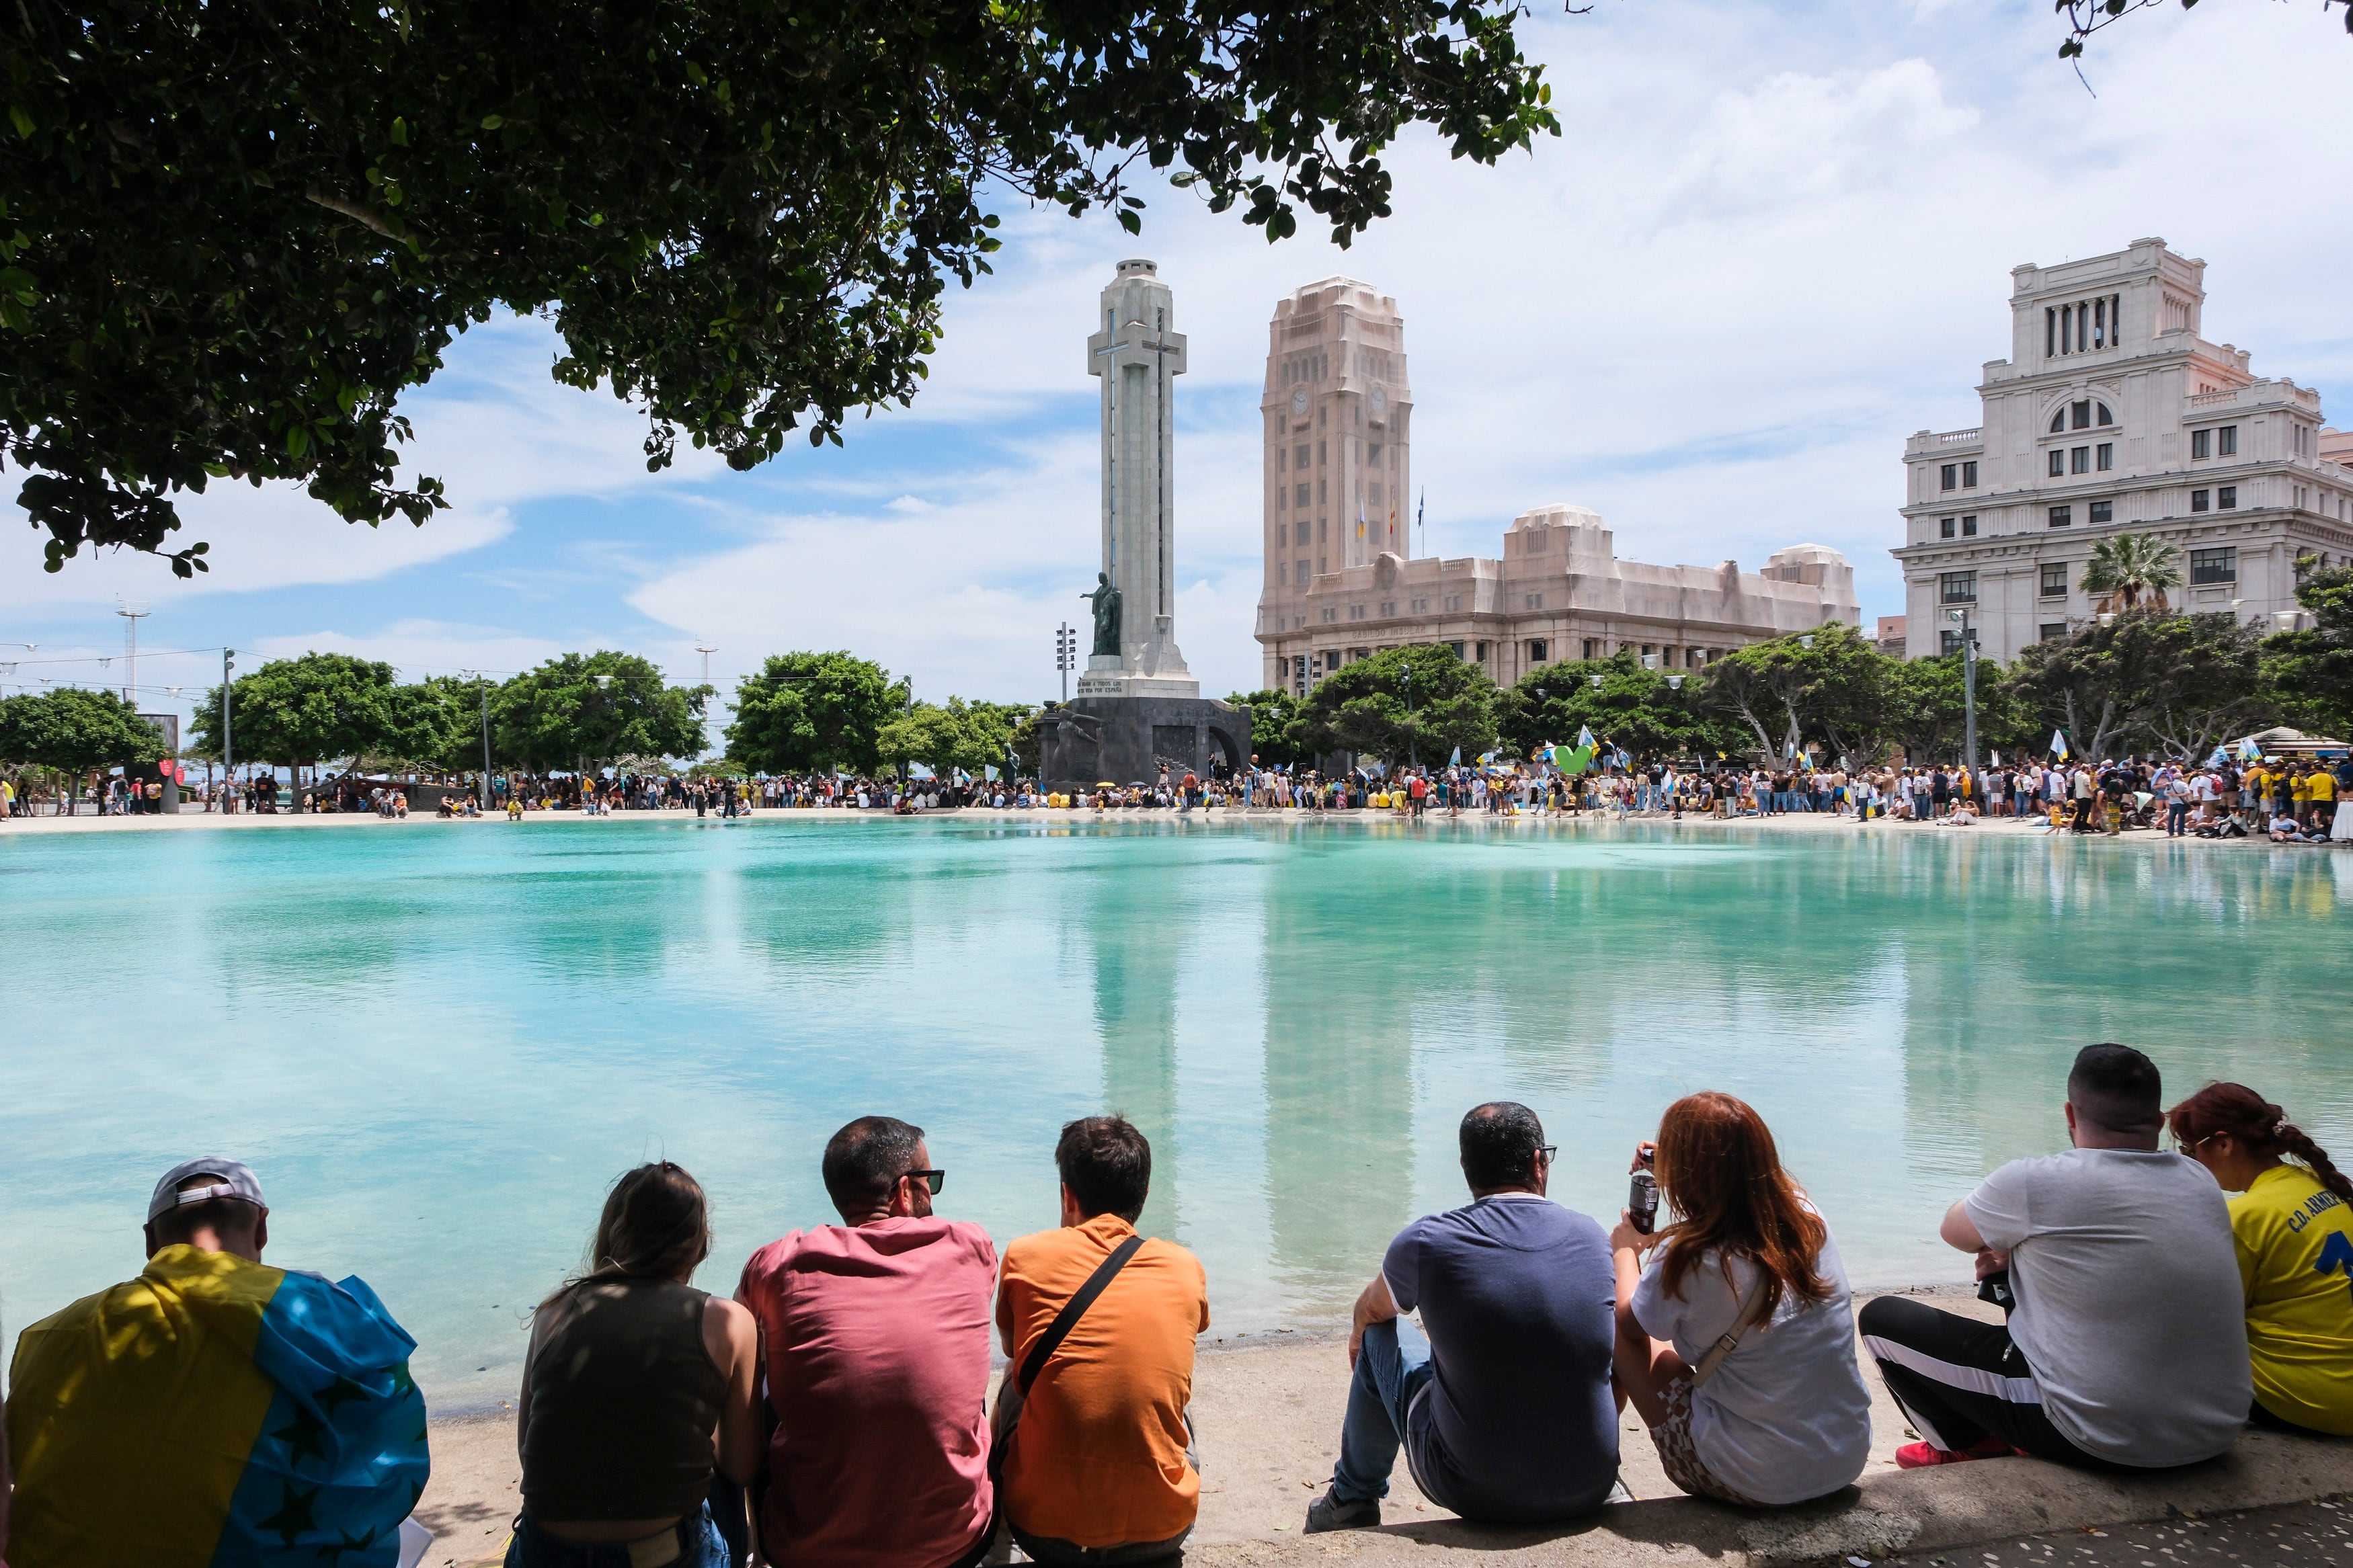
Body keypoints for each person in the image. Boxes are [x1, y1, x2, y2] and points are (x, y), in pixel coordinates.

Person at [5, 1159, 429, 1567]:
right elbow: (391, 1446)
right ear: (262, 1228)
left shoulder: (50, 1336)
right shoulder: (321, 1313)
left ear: (151, 1241)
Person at [1858, 1044, 2249, 1472]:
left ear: (2069, 1114)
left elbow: (1955, 1233)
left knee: (1882, 1321)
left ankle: (1963, 1444)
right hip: (2217, 1430)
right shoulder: (2199, 1180)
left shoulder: (2035, 1182)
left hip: (2100, 1437)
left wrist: (2013, 1241)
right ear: (2159, 1122)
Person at [1305, 1102, 1618, 1534]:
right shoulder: (1593, 1237)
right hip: (1589, 1483)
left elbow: (1371, 1310)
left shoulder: (1427, 1242)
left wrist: (1361, 1343)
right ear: (1537, 1162)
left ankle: (1351, 1499)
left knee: (1383, 1333)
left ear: (1465, 1167)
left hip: (1472, 1488)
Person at [736, 1117, 998, 1568]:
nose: (933, 1195)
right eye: (930, 1181)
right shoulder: (970, 1245)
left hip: (806, 1549)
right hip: (953, 1545)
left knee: (759, 1376)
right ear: (904, 1192)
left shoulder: (777, 1264)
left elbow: (737, 1343)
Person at [1611, 1094, 1872, 1507]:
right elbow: (1738, 1184)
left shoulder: (1689, 1255)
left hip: (1752, 1479)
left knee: (1618, 1324)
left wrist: (1626, 1251)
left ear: (1686, 1175)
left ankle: (1598, 1467)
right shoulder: (1808, 1219)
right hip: (1844, 1457)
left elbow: (1628, 1325)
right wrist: (1681, 1165)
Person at [512, 1162, 762, 1568]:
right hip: (660, 1555)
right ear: (700, 1244)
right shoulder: (728, 1321)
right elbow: (742, 1464)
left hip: (544, 1550)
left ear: (613, 1233)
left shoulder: (554, 1313)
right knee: (721, 1480)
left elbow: (529, 1450)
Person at [992, 1116, 1207, 1565]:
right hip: (1163, 1530)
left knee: (1016, 1375)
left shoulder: (1024, 1255)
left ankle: (999, 1537)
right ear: (1144, 1195)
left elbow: (1014, 1349)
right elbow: (1195, 1327)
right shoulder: (1185, 1267)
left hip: (1044, 1532)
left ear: (1067, 1194)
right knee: (1171, 1395)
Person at [2166, 1083, 2353, 1436]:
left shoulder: (2246, 1217)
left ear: (2223, 1143)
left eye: (2191, 1151)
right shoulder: (2316, 1181)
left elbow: (2206, 1324)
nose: (2191, 1163)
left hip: (2317, 1398)